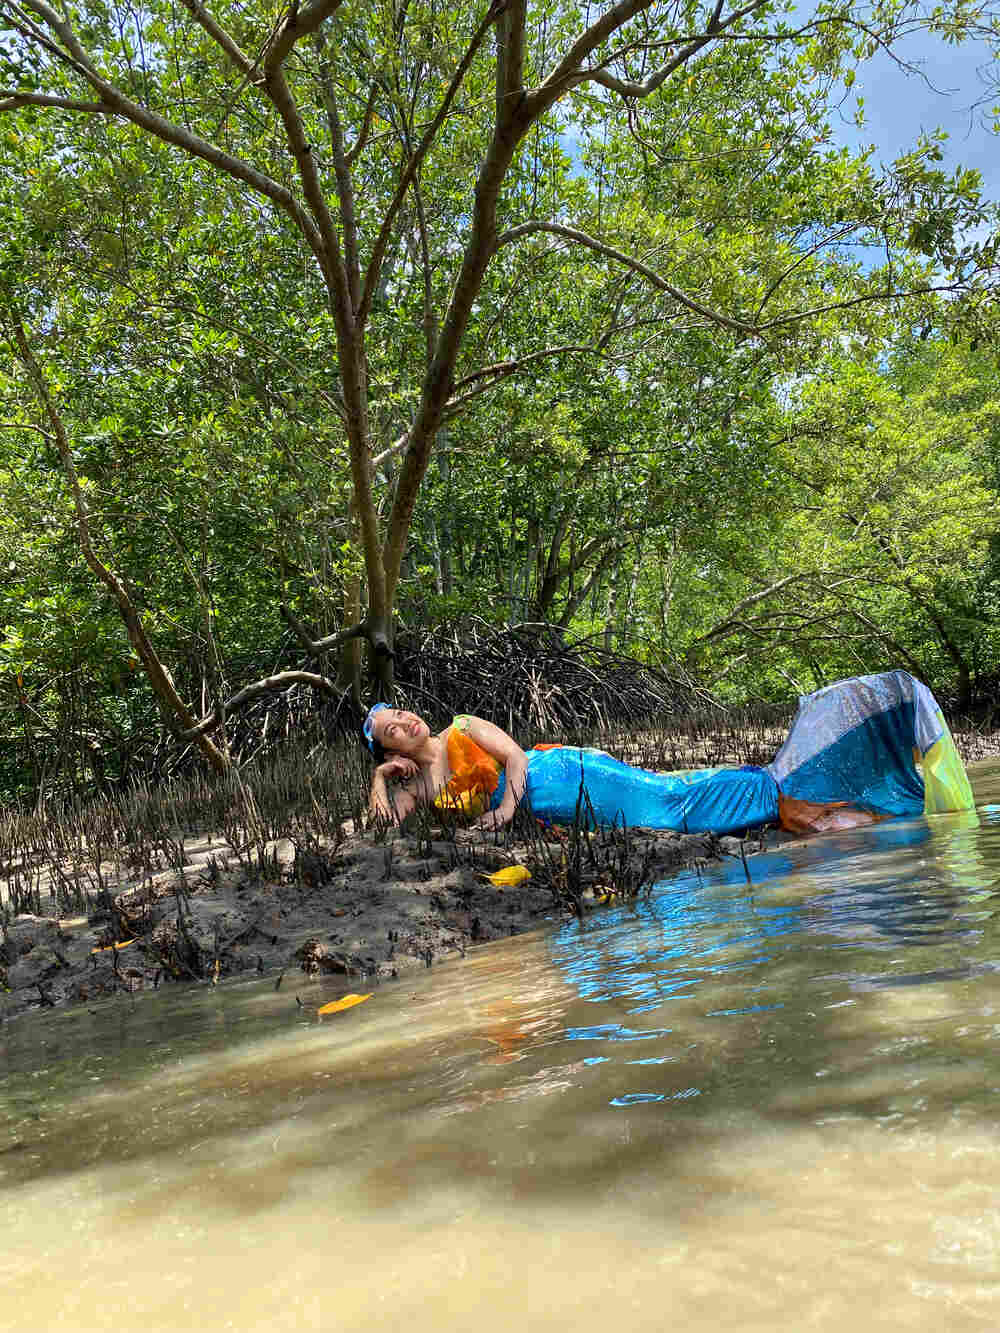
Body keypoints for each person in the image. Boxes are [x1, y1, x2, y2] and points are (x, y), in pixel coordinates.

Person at [364, 670, 974, 836]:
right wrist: (378, 781)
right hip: (562, 814)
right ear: (389, 747)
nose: (405, 722)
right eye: (391, 730)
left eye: (400, 712)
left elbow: (518, 758)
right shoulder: (416, 787)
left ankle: (770, 790)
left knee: (671, 803)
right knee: (665, 799)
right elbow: (381, 825)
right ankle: (763, 790)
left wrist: (503, 812)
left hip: (563, 774)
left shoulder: (461, 727)